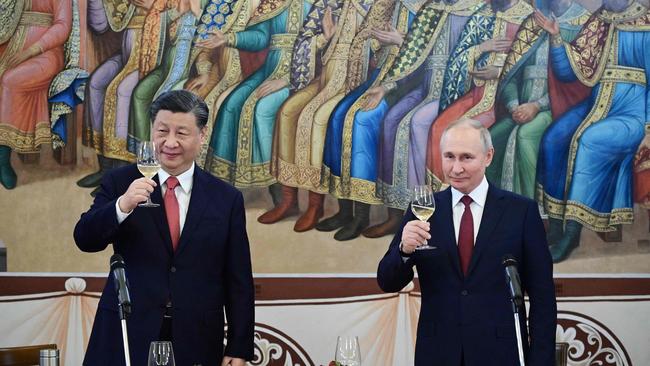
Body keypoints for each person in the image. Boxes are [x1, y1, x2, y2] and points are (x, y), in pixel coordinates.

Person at [74, 90, 254, 366]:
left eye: (181, 133)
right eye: (162, 131)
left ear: (202, 135)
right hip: (128, 330)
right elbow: (85, 239)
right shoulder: (120, 182)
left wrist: (239, 347)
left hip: (197, 336)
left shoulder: (226, 198)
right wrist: (122, 206)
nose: (170, 142)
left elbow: (238, 278)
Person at [377, 118, 556, 366]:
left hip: (501, 355)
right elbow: (387, 281)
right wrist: (404, 251)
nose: (456, 168)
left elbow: (543, 298)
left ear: (488, 157)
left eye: (466, 158)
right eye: (449, 156)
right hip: (438, 354)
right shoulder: (423, 209)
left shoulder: (521, 212)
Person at [534, 0, 650, 262]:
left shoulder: (646, 25)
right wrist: (556, 38)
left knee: (589, 140)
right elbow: (567, 74)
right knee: (553, 139)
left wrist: (648, 127)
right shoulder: (598, 22)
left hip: (633, 112)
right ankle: (555, 227)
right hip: (595, 105)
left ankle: (572, 234)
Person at [0, 0, 72, 189]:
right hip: (10, 44)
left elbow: (63, 26)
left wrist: (31, 50)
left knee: (11, 80)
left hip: (45, 52)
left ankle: (2, 156)